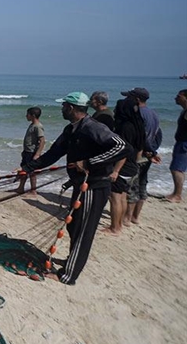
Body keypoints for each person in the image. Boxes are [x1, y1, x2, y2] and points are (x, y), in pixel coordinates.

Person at [21, 92, 128, 285]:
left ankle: (69, 275)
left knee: (83, 230)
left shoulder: (93, 127)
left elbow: (122, 147)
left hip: (94, 186)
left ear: (71, 108)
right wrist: (27, 168)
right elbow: (54, 153)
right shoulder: (71, 129)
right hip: (80, 185)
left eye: (63, 106)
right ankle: (72, 261)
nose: (62, 109)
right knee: (73, 225)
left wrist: (89, 162)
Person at [103, 96, 145, 235]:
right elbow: (139, 148)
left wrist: (116, 170)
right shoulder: (138, 125)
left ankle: (115, 227)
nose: (115, 110)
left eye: (117, 108)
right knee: (122, 196)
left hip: (123, 166)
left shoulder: (125, 127)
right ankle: (119, 224)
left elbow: (123, 151)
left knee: (115, 197)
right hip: (132, 165)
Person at [124, 87, 162, 225]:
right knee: (142, 183)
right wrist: (153, 150)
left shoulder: (137, 113)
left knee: (132, 185)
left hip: (138, 154)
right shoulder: (153, 114)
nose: (127, 100)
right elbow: (158, 134)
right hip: (147, 154)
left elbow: (141, 136)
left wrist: (149, 150)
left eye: (129, 97)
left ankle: (127, 218)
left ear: (137, 99)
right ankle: (135, 217)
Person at [16, 107, 45, 195]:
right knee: (23, 169)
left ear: (33, 115)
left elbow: (42, 141)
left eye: (27, 114)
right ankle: (21, 188)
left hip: (32, 152)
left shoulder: (38, 126)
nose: (26, 116)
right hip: (27, 151)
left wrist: (37, 154)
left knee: (32, 172)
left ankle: (33, 190)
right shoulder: (32, 125)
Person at [165, 89, 187, 203]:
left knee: (176, 168)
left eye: (179, 96)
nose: (176, 98)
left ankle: (177, 195)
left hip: (184, 143)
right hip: (182, 142)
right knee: (178, 168)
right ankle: (176, 193)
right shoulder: (184, 111)